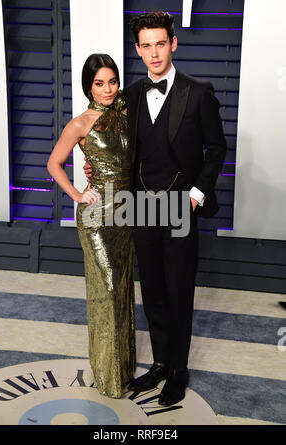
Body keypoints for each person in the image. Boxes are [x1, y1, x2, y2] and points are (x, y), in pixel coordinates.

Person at [85, 11, 227, 406]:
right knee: (154, 291)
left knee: (179, 291)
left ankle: (179, 371)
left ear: (173, 44)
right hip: (141, 205)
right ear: (138, 49)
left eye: (160, 43)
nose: (154, 53)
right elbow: (112, 143)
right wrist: (91, 162)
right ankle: (162, 363)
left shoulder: (198, 92)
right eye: (146, 46)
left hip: (181, 205)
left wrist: (197, 195)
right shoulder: (129, 94)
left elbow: (216, 150)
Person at [47, 54, 136, 399]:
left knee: (124, 289)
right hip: (96, 219)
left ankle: (123, 369)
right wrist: (77, 194)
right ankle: (108, 375)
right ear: (88, 86)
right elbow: (54, 163)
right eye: (99, 83)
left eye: (112, 81)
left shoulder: (129, 115)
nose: (108, 89)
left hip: (126, 214)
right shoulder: (80, 123)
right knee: (107, 291)